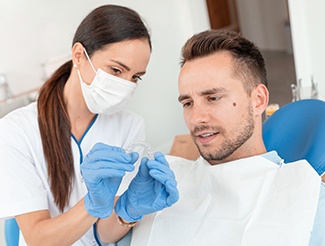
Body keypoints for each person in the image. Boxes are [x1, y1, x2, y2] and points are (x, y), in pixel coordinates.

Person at [0, 4, 178, 245]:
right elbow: (38, 239)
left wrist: (129, 210)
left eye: (135, 77)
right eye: (116, 70)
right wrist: (91, 205)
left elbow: (105, 235)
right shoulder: (16, 131)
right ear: (79, 56)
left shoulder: (129, 125)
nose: (126, 85)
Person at [126, 30, 325, 245]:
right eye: (187, 103)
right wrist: (123, 213)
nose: (196, 118)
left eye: (213, 98)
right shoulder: (163, 188)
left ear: (258, 100)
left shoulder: (309, 203)